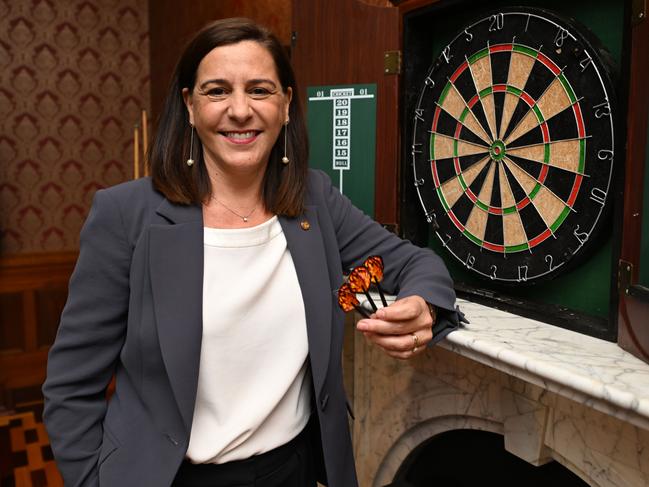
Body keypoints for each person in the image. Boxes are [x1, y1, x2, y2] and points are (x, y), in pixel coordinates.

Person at [42, 17, 462, 487]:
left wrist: (423, 303)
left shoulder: (315, 201)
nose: (239, 111)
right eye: (217, 91)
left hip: (292, 471)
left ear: (285, 105)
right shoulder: (127, 215)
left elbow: (415, 262)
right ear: (189, 105)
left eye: (260, 90)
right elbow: (71, 386)